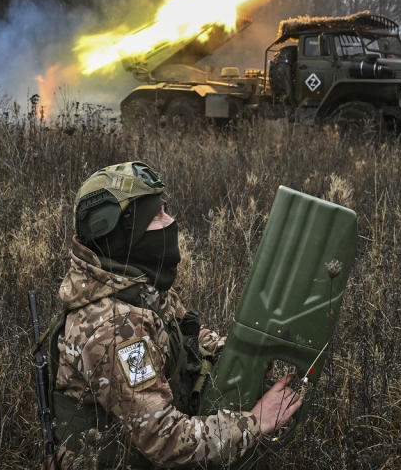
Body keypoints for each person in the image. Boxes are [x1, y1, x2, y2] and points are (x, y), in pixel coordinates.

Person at [47, 161, 302, 469]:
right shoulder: (115, 329)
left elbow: (190, 337)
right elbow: (165, 439)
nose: (170, 221)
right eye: (156, 216)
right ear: (122, 235)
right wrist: (255, 422)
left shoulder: (139, 287)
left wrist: (245, 356)